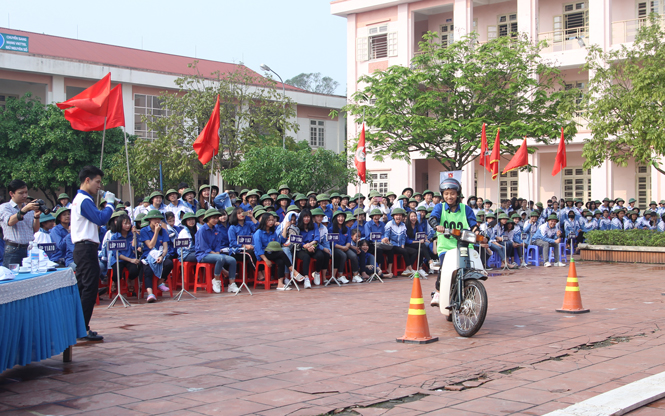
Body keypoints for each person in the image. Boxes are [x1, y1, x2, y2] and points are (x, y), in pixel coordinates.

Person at [70, 167, 115, 341]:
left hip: (84, 248)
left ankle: (79, 327)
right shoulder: (83, 199)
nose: (99, 186)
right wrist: (110, 204)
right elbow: (101, 219)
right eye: (97, 182)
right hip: (85, 248)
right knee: (89, 288)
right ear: (87, 180)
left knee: (84, 287)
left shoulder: (82, 199)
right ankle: (83, 328)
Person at [427, 178, 477, 307]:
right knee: (445, 269)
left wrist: (479, 233)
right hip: (446, 247)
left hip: (465, 246)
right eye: (446, 193)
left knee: (470, 271)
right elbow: (432, 218)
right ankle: (438, 292)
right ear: (443, 195)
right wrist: (436, 226)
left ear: (458, 194)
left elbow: (473, 225)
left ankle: (470, 294)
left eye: (452, 193)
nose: (449, 196)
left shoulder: (466, 209)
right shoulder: (440, 207)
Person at [253, 212, 302, 290]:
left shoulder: (273, 232)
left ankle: (280, 284)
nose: (271, 222)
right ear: (264, 221)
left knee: (281, 261)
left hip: (273, 253)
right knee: (281, 253)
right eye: (269, 220)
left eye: (272, 220)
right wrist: (266, 260)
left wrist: (285, 227)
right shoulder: (258, 233)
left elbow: (279, 242)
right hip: (263, 254)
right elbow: (258, 249)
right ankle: (293, 271)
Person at [0, 179, 43, 266]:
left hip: (29, 249)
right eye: (21, 193)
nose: (25, 195)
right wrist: (25, 209)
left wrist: (36, 216)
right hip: (13, 249)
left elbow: (35, 229)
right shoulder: (5, 207)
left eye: (26, 192)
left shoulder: (28, 208)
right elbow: (10, 221)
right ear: (11, 194)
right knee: (13, 277)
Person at [195, 209, 238, 293]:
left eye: (216, 218)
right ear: (208, 219)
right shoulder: (202, 230)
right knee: (220, 258)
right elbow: (203, 247)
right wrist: (216, 254)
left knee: (232, 260)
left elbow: (218, 244)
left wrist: (217, 252)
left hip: (215, 254)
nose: (215, 220)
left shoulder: (216, 229)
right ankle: (216, 280)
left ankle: (232, 285)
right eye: (213, 218)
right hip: (203, 255)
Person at [108, 212, 142, 298]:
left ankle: (130, 280)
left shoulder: (133, 235)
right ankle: (115, 282)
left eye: (129, 223)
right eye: (125, 223)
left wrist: (134, 236)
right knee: (116, 274)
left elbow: (135, 248)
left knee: (136, 269)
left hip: (131, 257)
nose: (128, 225)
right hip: (119, 259)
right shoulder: (114, 237)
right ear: (120, 224)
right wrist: (131, 260)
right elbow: (116, 254)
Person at [140, 209, 173, 297]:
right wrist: (156, 232)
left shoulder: (163, 231)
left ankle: (160, 282)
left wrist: (162, 256)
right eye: (155, 219)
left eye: (159, 219)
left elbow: (165, 247)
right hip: (148, 256)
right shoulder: (144, 231)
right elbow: (150, 245)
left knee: (169, 264)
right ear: (150, 220)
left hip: (160, 254)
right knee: (148, 270)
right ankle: (150, 293)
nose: (157, 221)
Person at [295, 209, 327, 288]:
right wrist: (305, 246)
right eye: (304, 217)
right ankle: (306, 279)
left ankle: (316, 273)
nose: (306, 219)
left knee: (321, 255)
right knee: (306, 257)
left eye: (308, 217)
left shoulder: (314, 225)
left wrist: (310, 244)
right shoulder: (297, 227)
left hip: (313, 246)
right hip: (302, 249)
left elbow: (317, 238)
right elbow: (298, 240)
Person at [330, 210, 361, 283]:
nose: (341, 218)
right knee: (343, 255)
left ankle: (355, 275)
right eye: (339, 217)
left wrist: (346, 246)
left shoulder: (347, 229)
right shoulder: (331, 229)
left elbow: (348, 240)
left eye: (342, 217)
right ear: (335, 218)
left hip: (345, 247)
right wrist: (342, 247)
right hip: (336, 248)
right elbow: (332, 242)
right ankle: (340, 275)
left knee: (353, 255)